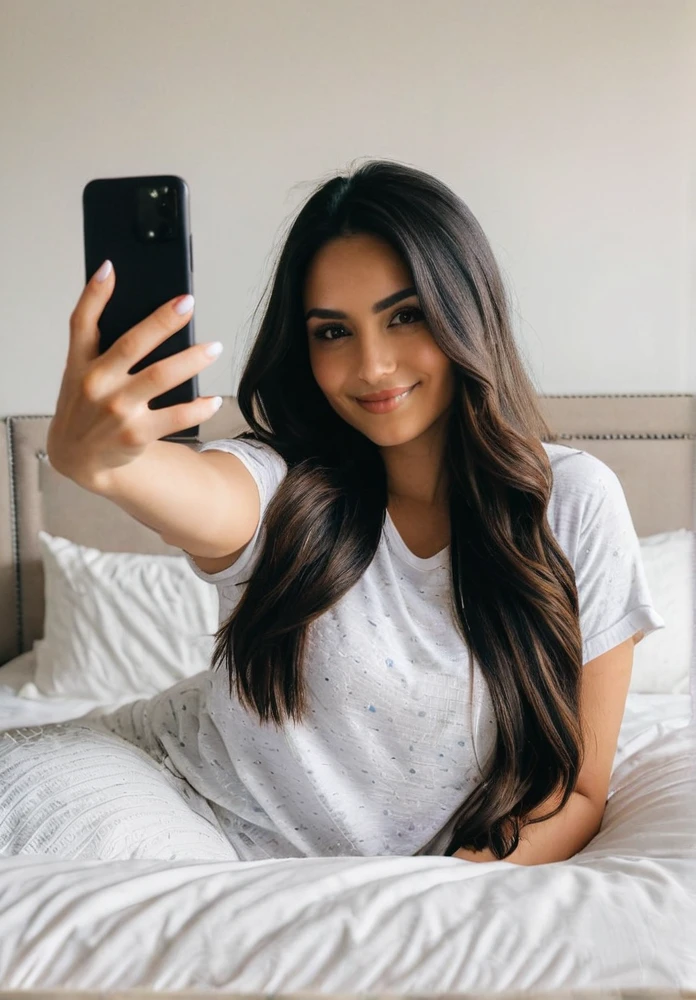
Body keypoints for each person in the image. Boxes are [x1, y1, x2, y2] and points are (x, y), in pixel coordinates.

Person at [22, 160, 667, 862]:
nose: (373, 366)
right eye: (333, 332)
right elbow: (206, 496)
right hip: (165, 795)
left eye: (405, 316)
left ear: (467, 313)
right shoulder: (283, 485)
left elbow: (577, 793)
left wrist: (446, 894)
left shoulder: (574, 503)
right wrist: (109, 464)